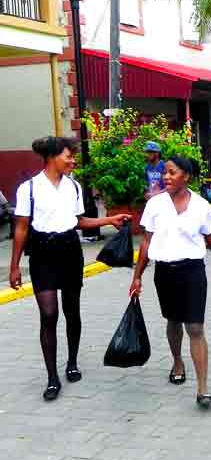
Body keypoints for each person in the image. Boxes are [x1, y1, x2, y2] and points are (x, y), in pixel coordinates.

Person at [9, 137, 130, 401]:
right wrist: (15, 266)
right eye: (68, 156)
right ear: (52, 157)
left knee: (71, 311)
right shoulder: (28, 188)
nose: (73, 160)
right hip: (42, 253)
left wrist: (110, 219)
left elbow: (79, 221)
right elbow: (20, 228)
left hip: (69, 251)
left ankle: (72, 362)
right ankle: (52, 377)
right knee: (49, 313)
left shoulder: (73, 187)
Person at [129, 156, 211, 409]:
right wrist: (137, 275)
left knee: (195, 327)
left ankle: (203, 389)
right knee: (173, 320)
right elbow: (146, 242)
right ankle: (177, 360)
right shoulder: (155, 204)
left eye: (172, 173)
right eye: (165, 173)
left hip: (193, 271)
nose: (166, 177)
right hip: (164, 272)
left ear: (187, 176)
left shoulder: (201, 205)